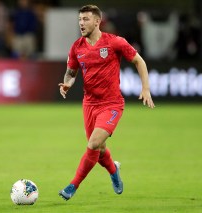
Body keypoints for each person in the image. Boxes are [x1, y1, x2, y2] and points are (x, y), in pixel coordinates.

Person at [58, 5, 155, 201]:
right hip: (89, 104)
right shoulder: (77, 47)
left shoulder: (114, 42)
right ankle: (113, 170)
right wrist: (67, 84)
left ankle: (72, 186)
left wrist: (145, 88)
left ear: (97, 21)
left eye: (85, 19)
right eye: (80, 20)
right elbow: (71, 72)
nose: (81, 23)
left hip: (111, 104)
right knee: (99, 150)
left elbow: (139, 61)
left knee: (93, 144)